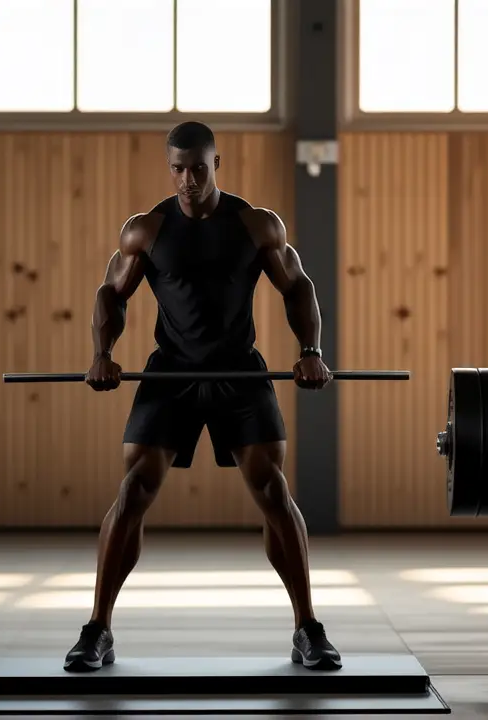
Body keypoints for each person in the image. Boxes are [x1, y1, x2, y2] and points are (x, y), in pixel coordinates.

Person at [64, 121, 342, 672]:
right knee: (135, 487)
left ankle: (308, 628)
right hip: (172, 375)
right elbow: (110, 293)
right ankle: (97, 629)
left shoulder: (255, 224)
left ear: (217, 164)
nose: (187, 179)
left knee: (270, 487)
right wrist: (102, 353)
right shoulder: (146, 230)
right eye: (177, 169)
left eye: (198, 168)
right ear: (168, 168)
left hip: (240, 373)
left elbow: (298, 285)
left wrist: (310, 349)